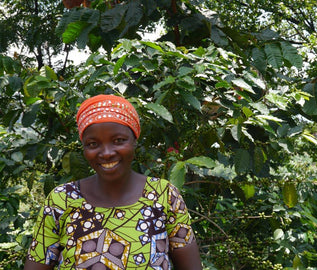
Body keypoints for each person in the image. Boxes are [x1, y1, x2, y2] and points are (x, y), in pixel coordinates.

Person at [24, 94, 202, 270]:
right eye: (93, 144)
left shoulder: (164, 195)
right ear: (84, 148)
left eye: (118, 141)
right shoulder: (61, 200)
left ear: (135, 141)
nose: (107, 152)